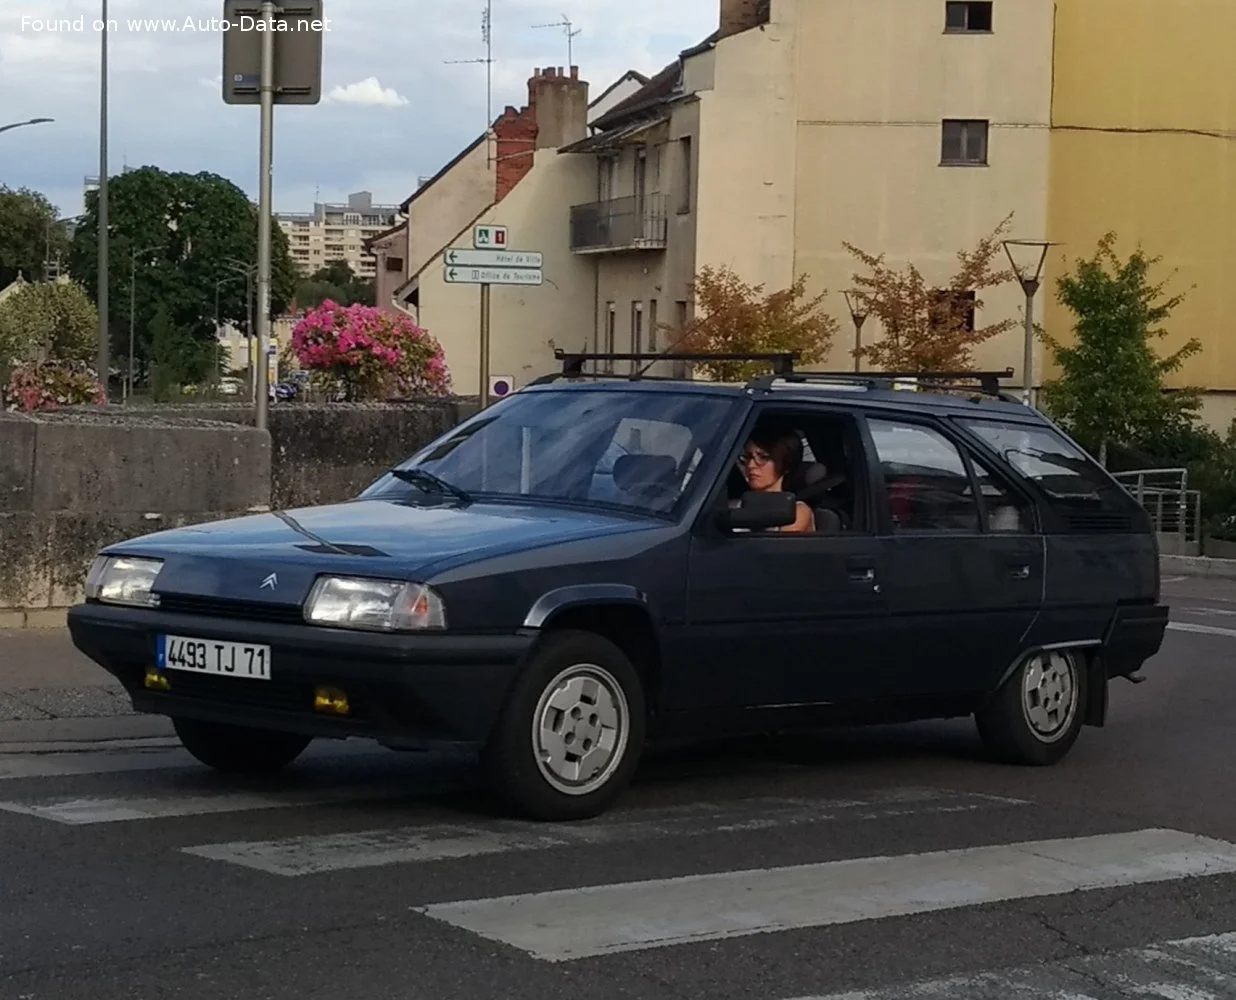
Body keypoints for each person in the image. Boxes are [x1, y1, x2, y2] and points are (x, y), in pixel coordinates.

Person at [734, 426, 815, 533]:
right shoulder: (732, 507)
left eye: (763, 457)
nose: (750, 465)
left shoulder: (797, 512)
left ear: (786, 464)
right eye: (747, 456)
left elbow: (774, 548)